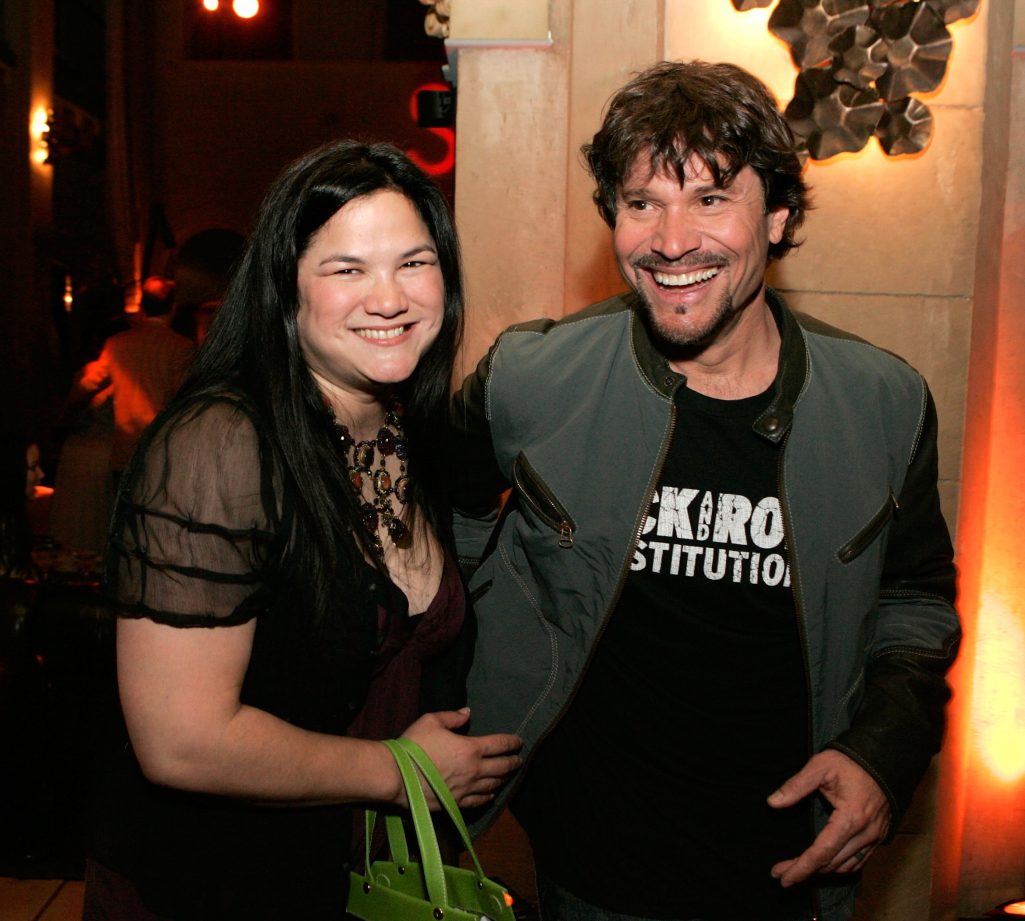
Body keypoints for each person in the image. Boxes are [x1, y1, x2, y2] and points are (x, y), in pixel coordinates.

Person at [450, 61, 960, 921]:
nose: (670, 239)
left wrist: (882, 752)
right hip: (589, 868)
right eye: (641, 202)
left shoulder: (882, 402)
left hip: (791, 873)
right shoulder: (530, 378)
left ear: (780, 216)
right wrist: (431, 721)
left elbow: (914, 600)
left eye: (711, 199)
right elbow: (431, 544)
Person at [83, 140, 522, 920]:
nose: (387, 298)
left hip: (357, 874)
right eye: (346, 268)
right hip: (217, 885)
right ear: (285, 291)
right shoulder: (221, 442)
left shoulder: (400, 428)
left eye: (413, 263)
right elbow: (180, 740)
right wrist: (398, 769)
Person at [78, 274, 196, 484]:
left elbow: (90, 383)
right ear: (173, 307)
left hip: (124, 451)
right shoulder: (181, 347)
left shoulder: (117, 344)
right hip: (160, 449)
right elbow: (184, 398)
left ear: (142, 307)